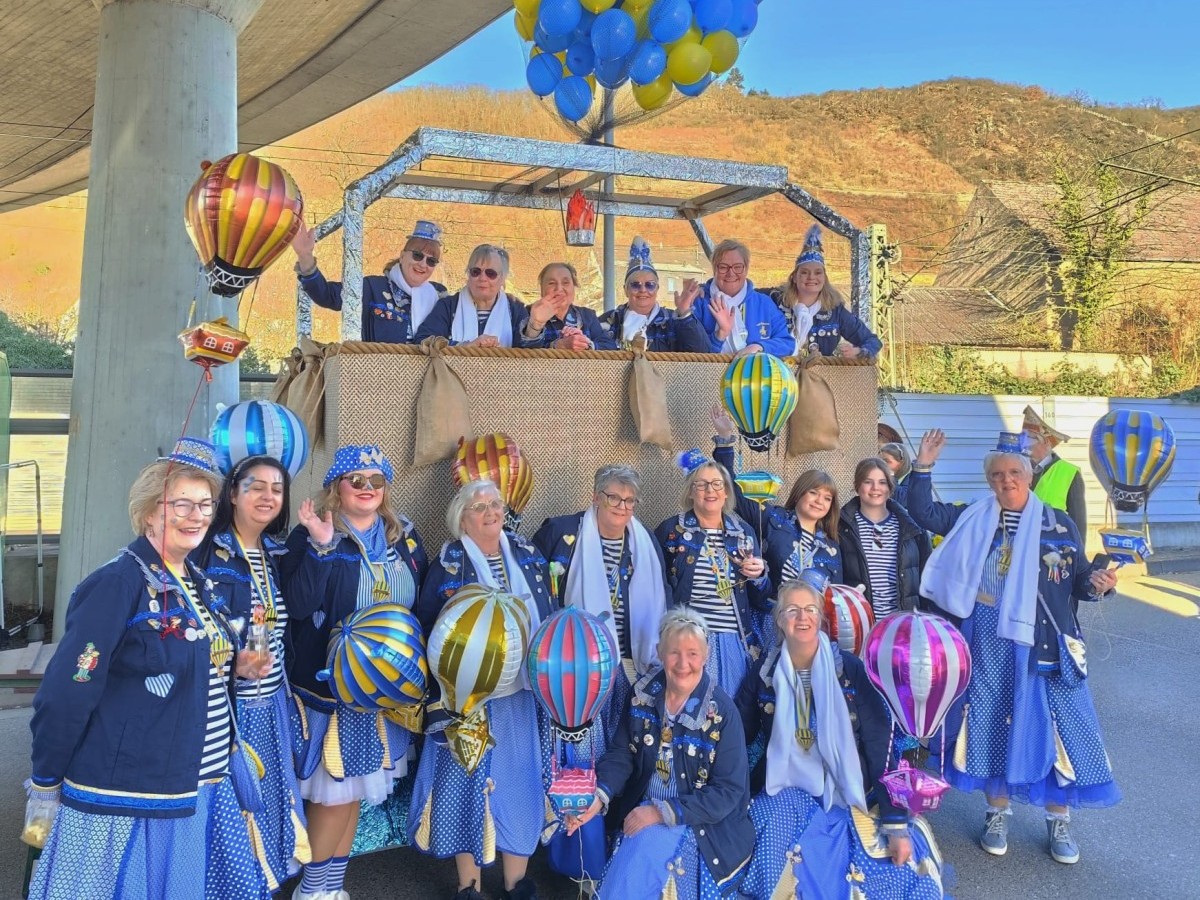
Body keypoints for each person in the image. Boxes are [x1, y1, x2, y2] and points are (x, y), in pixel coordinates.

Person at [27, 439, 272, 900]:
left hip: (198, 781)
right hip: (136, 794)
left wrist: (234, 664)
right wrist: (45, 780)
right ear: (148, 512)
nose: (196, 515)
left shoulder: (193, 578)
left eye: (205, 504)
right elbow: (67, 692)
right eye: (181, 503)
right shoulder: (117, 583)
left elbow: (186, 659)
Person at [908, 428, 1120, 865]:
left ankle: (1059, 819)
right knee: (989, 719)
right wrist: (922, 465)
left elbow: (1079, 581)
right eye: (999, 475)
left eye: (1014, 473)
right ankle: (996, 812)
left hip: (1043, 638)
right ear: (990, 481)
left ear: (1029, 476)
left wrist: (1097, 585)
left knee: (1058, 723)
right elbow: (924, 512)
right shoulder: (974, 516)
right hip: (985, 633)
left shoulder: (1058, 523)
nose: (1007, 481)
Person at [737, 577, 945, 899]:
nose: (802, 618)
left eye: (809, 609)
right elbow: (737, 734)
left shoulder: (850, 669)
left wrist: (894, 822)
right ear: (779, 620)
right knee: (775, 851)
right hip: (785, 787)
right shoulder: (764, 671)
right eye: (792, 610)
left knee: (899, 863)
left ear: (821, 617)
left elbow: (879, 744)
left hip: (849, 788)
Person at [282, 444, 428, 900]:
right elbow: (299, 607)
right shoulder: (311, 534)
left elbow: (417, 603)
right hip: (334, 690)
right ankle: (310, 891)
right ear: (337, 487)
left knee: (355, 796)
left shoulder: (403, 536)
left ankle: (331, 888)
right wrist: (322, 548)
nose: (367, 489)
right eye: (356, 480)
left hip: (384, 691)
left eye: (376, 481)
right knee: (335, 795)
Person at [409, 479, 556, 900]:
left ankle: (516, 884)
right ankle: (468, 887)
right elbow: (428, 626)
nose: (490, 512)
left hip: (521, 698)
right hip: (467, 703)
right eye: (478, 507)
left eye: (495, 503)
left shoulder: (528, 555)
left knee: (521, 784)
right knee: (464, 789)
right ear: (462, 518)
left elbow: (548, 612)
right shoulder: (448, 564)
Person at [531, 464, 669, 883]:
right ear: (595, 497)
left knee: (627, 758)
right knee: (581, 761)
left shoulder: (644, 543)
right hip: (580, 673)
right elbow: (538, 597)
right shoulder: (561, 532)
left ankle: (620, 844)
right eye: (613, 498)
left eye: (629, 501)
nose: (622, 508)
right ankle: (578, 856)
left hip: (635, 667)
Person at [564, 608, 755, 900]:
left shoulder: (722, 711)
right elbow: (621, 754)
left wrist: (660, 813)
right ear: (659, 653)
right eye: (673, 652)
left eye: (692, 653)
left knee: (647, 850)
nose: (683, 663)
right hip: (644, 809)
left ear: (705, 657)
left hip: (701, 824)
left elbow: (728, 791)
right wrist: (598, 795)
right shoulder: (643, 694)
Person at [193, 454, 309, 891]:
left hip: (271, 701)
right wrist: (227, 664)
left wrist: (317, 543)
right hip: (230, 708)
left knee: (271, 802)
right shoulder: (208, 549)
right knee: (236, 807)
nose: (267, 496)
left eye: (276, 489)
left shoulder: (276, 553)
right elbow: (188, 626)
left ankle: (268, 883)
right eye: (256, 486)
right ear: (233, 493)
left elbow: (298, 610)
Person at [655, 452, 771, 699]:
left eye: (717, 484)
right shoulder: (671, 531)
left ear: (727, 491)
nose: (710, 490)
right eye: (702, 484)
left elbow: (761, 598)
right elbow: (657, 588)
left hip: (732, 640)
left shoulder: (743, 533)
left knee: (729, 710)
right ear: (690, 491)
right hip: (688, 640)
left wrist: (759, 576)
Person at [711, 405, 842, 589]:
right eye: (813, 493)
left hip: (812, 617)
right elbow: (733, 489)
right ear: (798, 494)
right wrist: (725, 440)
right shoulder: (773, 519)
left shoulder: (832, 546)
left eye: (827, 498)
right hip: (773, 612)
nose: (819, 501)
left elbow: (836, 595)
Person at [293, 219, 447, 343]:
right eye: (417, 256)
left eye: (431, 261)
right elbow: (328, 296)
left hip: (429, 380)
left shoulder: (439, 295)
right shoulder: (372, 288)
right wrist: (305, 256)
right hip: (377, 377)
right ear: (402, 256)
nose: (423, 264)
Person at [838, 457, 931, 620]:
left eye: (882, 482)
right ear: (857, 486)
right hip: (860, 626)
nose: (875, 488)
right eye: (868, 482)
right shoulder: (841, 526)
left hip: (903, 625)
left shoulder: (912, 527)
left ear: (890, 487)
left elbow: (928, 579)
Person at [771, 224, 882, 359]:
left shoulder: (835, 311)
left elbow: (872, 341)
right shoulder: (774, 300)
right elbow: (746, 296)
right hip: (777, 375)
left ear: (824, 278)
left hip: (818, 377)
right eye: (805, 272)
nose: (811, 277)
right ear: (794, 277)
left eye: (818, 272)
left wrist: (859, 352)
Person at [598, 237, 710, 352]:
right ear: (625, 290)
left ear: (657, 289)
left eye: (650, 285)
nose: (643, 290)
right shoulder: (608, 321)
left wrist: (685, 312)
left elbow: (703, 352)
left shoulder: (673, 321)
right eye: (635, 285)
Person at [689, 238, 795, 357]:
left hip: (756, 374)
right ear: (714, 270)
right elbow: (691, 350)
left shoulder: (764, 304)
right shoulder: (699, 302)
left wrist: (758, 347)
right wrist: (719, 336)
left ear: (746, 268)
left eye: (738, 267)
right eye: (723, 267)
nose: (731, 273)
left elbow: (787, 343)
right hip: (709, 374)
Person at [413, 244, 526, 347]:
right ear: (468, 275)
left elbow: (528, 349)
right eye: (476, 272)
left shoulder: (515, 310)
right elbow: (423, 341)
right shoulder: (448, 306)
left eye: (491, 273)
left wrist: (535, 325)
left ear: (502, 279)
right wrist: (465, 346)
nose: (482, 278)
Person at [518, 261, 619, 350]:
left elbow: (609, 346)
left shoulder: (587, 316)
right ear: (541, 289)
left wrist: (585, 343)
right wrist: (555, 344)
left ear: (574, 287)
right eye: (551, 283)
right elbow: (519, 351)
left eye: (565, 283)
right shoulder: (526, 313)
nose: (559, 289)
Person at [1022, 406, 1087, 539]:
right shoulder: (1017, 467)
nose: (1022, 443)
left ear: (1045, 441)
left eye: (1027, 439)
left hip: (1053, 547)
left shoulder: (1069, 472)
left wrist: (1079, 556)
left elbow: (1078, 522)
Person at [879, 441, 913, 508]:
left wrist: (890, 476)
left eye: (887, 461)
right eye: (880, 461)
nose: (882, 465)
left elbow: (901, 500)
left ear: (901, 463)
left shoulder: (913, 478)